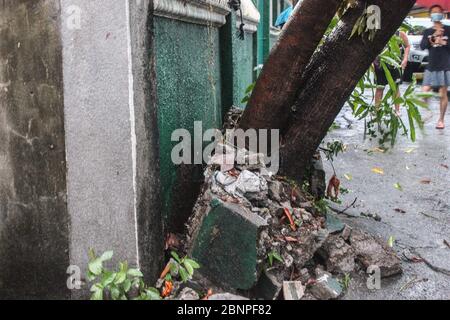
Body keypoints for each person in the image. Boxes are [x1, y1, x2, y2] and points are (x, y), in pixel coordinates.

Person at [420, 4, 450, 130]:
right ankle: (428, 113)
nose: (436, 14)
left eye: (438, 12)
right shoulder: (427, 31)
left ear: (442, 14)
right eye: (433, 12)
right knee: (424, 91)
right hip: (431, 65)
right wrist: (434, 36)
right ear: (430, 15)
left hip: (444, 65)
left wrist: (444, 42)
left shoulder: (448, 29)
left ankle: (441, 120)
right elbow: (423, 46)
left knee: (443, 93)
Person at [373, 31, 410, 115]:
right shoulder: (379, 32)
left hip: (395, 64)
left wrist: (405, 59)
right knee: (379, 87)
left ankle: (397, 110)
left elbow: (407, 46)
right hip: (380, 63)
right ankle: (376, 110)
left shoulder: (400, 34)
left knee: (395, 88)